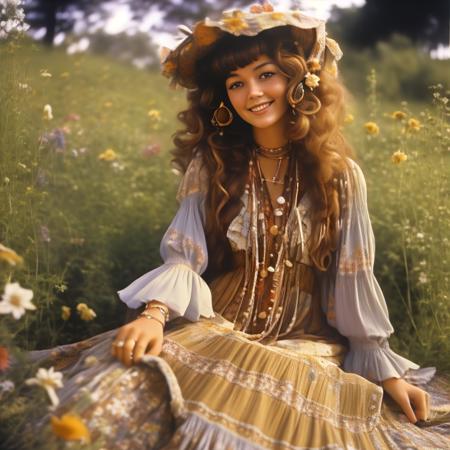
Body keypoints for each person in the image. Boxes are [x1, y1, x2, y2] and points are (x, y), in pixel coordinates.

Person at [26, 3, 450, 449]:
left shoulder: (340, 176)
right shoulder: (212, 165)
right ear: (223, 97)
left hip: (301, 342)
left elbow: (352, 280)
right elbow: (184, 256)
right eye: (236, 83)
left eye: (266, 74)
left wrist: (382, 371)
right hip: (215, 328)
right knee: (111, 393)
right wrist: (154, 315)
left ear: (297, 77)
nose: (253, 93)